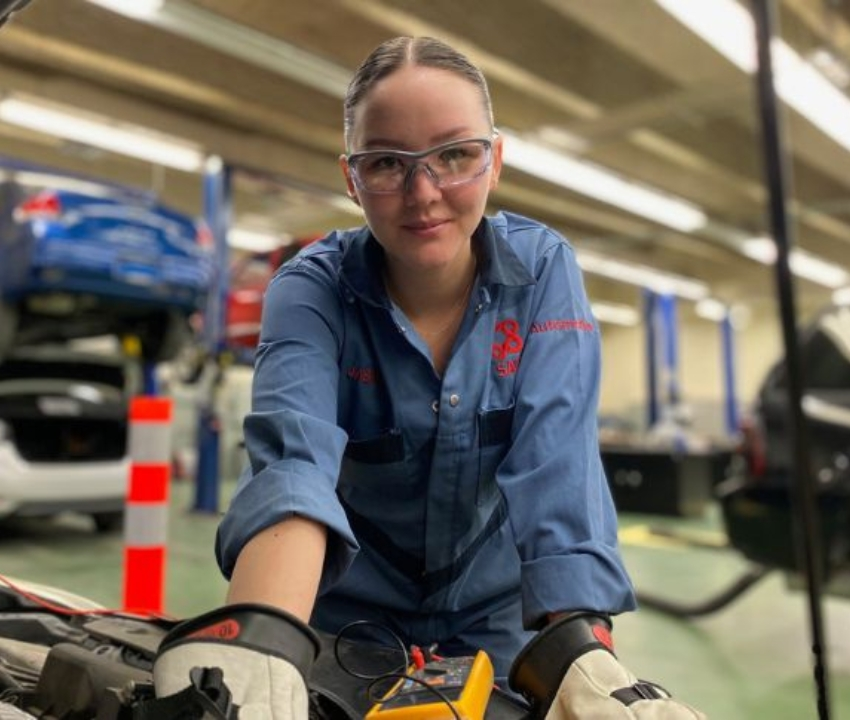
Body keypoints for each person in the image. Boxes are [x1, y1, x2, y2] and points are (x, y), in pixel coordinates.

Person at [153, 36, 706, 719]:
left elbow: (557, 465)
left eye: (454, 155)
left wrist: (583, 653)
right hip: (342, 619)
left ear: (494, 160)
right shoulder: (308, 290)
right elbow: (293, 470)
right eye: (387, 161)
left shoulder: (542, 275)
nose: (424, 193)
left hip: (501, 621)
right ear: (351, 178)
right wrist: (260, 641)